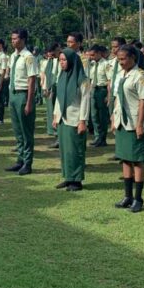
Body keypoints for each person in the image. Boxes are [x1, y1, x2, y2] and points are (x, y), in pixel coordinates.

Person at [111, 45, 144, 212]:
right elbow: (116, 98)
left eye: (123, 59)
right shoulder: (120, 75)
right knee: (125, 158)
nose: (120, 62)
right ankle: (127, 196)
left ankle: (138, 198)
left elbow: (143, 101)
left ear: (133, 58)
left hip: (134, 123)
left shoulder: (141, 76)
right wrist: (113, 117)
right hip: (121, 121)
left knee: (137, 159)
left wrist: (140, 124)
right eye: (119, 59)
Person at [53, 48, 91, 192]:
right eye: (60, 60)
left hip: (75, 119)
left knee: (75, 150)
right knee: (65, 150)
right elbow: (59, 97)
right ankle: (68, 177)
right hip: (63, 118)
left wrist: (83, 121)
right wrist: (56, 115)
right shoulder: (62, 76)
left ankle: (76, 180)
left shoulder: (82, 79)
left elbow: (85, 101)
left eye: (64, 60)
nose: (62, 63)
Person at [6, 29, 38, 175]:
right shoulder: (13, 56)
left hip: (23, 95)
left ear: (23, 39)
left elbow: (32, 79)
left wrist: (29, 102)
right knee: (18, 131)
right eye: (12, 39)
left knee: (26, 131)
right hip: (13, 94)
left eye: (16, 38)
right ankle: (20, 160)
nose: (13, 41)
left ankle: (27, 162)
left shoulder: (28, 57)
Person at [89, 45, 110, 148]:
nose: (91, 57)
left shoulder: (106, 64)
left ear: (98, 53)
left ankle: (102, 138)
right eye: (90, 55)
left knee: (102, 116)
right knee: (94, 115)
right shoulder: (92, 64)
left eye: (93, 55)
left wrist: (108, 95)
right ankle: (97, 137)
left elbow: (109, 80)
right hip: (94, 90)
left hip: (102, 90)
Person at [42, 44, 61, 148]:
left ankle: (59, 137)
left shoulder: (62, 60)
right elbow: (47, 75)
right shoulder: (51, 61)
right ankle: (55, 134)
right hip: (52, 88)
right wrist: (46, 88)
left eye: (53, 53)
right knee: (52, 111)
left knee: (58, 112)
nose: (51, 55)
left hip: (59, 88)